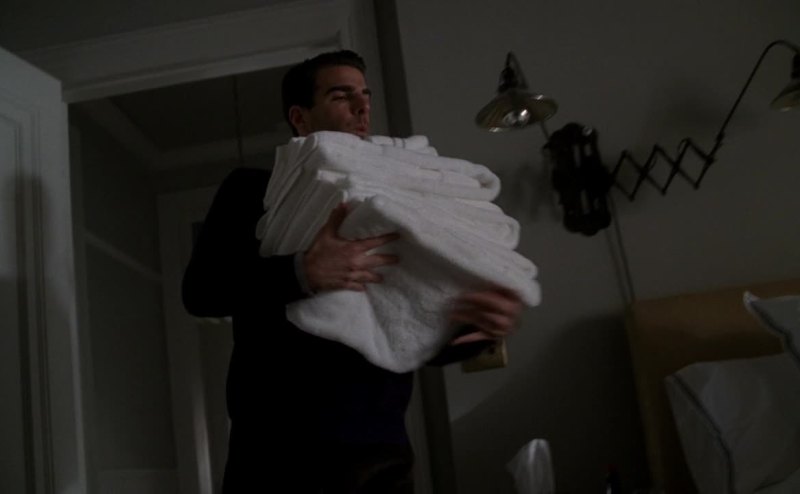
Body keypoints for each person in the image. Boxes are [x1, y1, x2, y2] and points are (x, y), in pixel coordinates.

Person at [182, 50, 524, 493]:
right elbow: (201, 292)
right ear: (300, 118)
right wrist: (303, 271)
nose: (363, 107)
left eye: (365, 95)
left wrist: (478, 325)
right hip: (274, 455)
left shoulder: (396, 198)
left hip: (379, 455)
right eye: (341, 96)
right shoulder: (252, 191)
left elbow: (411, 325)